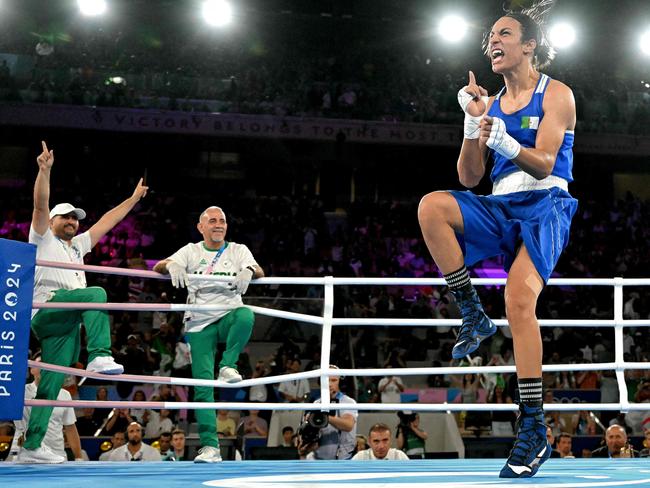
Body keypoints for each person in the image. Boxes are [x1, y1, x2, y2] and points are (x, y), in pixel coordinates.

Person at [417, 1, 577, 479]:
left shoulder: (558, 94)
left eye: (504, 33)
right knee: (432, 206)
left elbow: (546, 162)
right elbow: (468, 178)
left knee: (518, 301)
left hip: (546, 205)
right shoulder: (487, 103)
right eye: (490, 35)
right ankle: (471, 313)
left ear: (528, 45)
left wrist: (505, 140)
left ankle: (533, 427)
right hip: (500, 204)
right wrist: (473, 123)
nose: (493, 41)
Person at [20, 141, 148, 463]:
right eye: (66, 217)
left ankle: (31, 447)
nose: (73, 222)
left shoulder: (78, 246)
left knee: (50, 385)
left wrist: (133, 199)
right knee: (98, 293)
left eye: (75, 219)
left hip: (67, 322)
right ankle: (100, 355)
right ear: (52, 221)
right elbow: (39, 204)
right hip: (49, 309)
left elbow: (108, 221)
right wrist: (44, 171)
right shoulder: (41, 237)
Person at [153, 205, 264, 463]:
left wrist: (249, 271)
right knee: (203, 386)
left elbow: (259, 270)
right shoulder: (191, 250)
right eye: (212, 220)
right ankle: (210, 447)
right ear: (201, 227)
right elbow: (159, 264)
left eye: (222, 220)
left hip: (228, 316)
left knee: (246, 314)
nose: (218, 224)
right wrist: (170, 266)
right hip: (199, 323)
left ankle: (228, 365)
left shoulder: (238, 250)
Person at [12, 356, 83, 463]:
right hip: (25, 454)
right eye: (41, 363)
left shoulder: (64, 394)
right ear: (32, 369)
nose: (44, 367)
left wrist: (79, 457)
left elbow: (70, 428)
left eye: (48, 363)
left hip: (56, 453)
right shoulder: (19, 392)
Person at [298, 366, 357, 460]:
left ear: (340, 382)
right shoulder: (316, 403)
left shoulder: (348, 402)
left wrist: (324, 417)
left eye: (333, 380)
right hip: (319, 458)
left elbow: (348, 425)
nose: (329, 384)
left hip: (342, 460)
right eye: (326, 380)